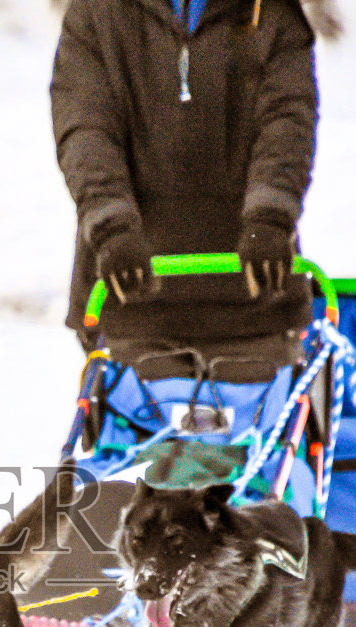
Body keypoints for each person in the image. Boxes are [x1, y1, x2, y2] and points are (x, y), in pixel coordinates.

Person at [51, 0, 325, 382]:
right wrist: (112, 225)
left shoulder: (273, 12)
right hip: (130, 307)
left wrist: (269, 215)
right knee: (141, 438)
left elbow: (287, 120)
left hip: (254, 312)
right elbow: (86, 129)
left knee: (255, 437)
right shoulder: (96, 13)